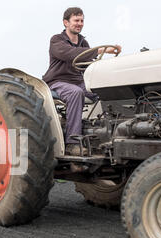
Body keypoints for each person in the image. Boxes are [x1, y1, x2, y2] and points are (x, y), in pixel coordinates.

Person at [42, 7, 121, 156]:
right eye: (76, 20)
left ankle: (109, 134)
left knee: (103, 91)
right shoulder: (57, 40)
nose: (79, 23)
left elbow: (89, 62)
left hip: (79, 80)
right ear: (66, 22)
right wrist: (101, 50)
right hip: (58, 81)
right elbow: (70, 54)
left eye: (81, 20)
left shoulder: (83, 42)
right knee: (75, 93)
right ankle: (72, 143)